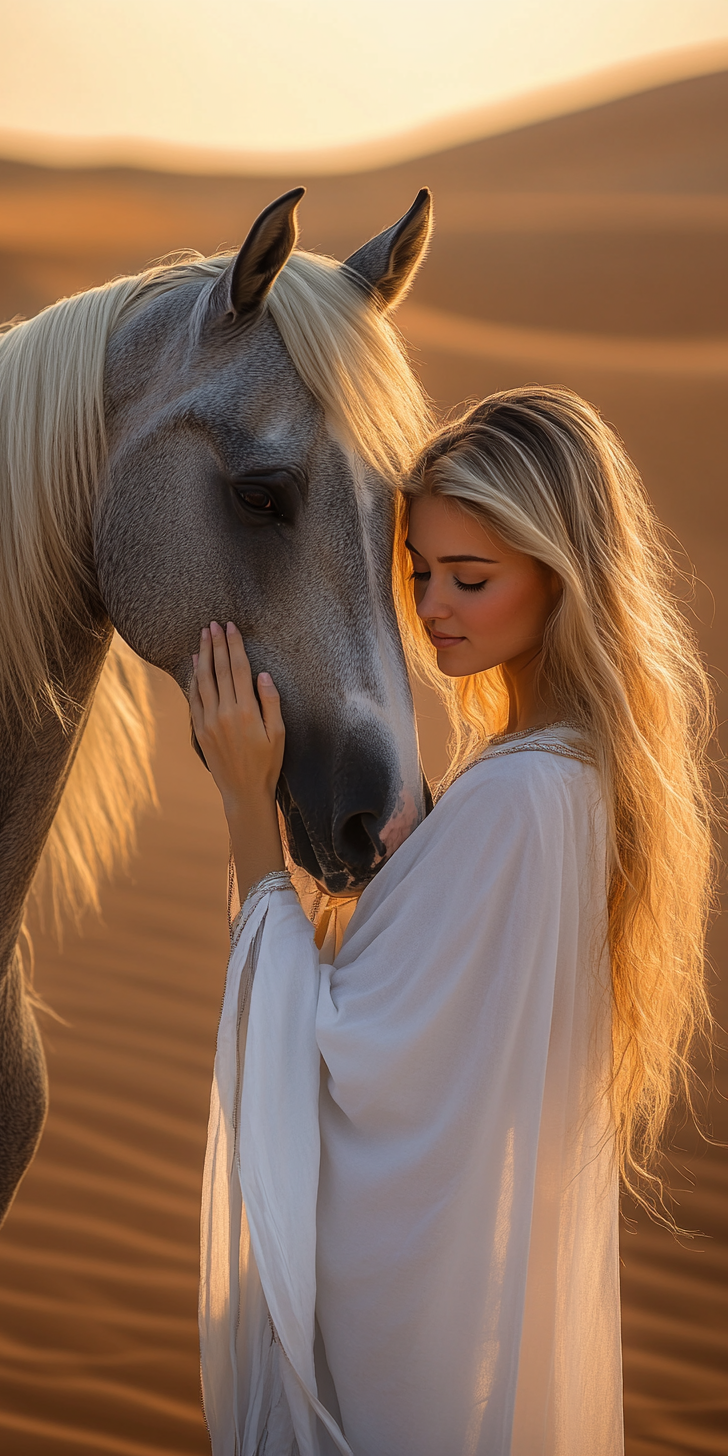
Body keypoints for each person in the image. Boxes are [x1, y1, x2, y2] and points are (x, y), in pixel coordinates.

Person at [190, 386, 714, 1456]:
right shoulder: (568, 774)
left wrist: (248, 809)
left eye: (472, 579)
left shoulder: (522, 799)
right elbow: (442, 1035)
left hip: (412, 1347)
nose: (433, 608)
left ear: (563, 577)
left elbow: (352, 1063)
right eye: (422, 574)